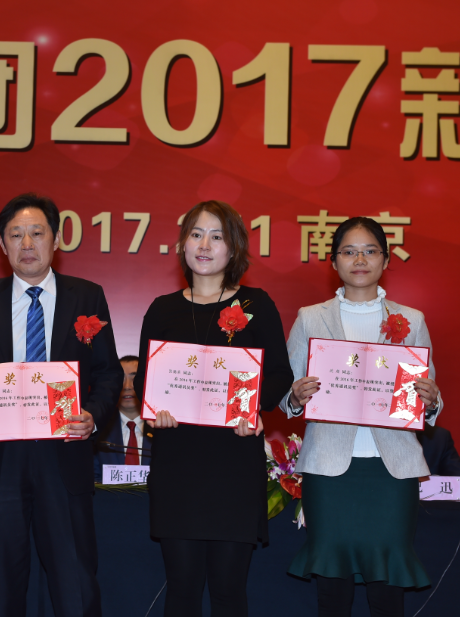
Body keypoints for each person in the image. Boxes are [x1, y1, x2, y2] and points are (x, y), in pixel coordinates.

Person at [0, 193, 123, 617]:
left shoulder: (87, 297)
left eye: (37, 233)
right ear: (1, 244)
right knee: (1, 590)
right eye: (16, 235)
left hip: (63, 457)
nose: (27, 244)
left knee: (75, 587)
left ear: (56, 240)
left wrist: (92, 416)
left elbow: (109, 374)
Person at [132, 200, 294, 617]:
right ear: (182, 244)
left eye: (217, 236)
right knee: (182, 591)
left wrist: (253, 408)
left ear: (233, 248)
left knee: (228, 592)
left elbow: (279, 374)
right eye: (196, 234)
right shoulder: (162, 308)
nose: (204, 245)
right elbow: (144, 380)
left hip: (233, 465)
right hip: (178, 465)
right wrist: (155, 408)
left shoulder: (257, 304)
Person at [280, 217, 443, 617]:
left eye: (370, 251)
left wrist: (431, 399)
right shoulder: (310, 317)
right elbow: (287, 395)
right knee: (332, 588)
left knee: (387, 587)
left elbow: (428, 392)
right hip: (330, 468)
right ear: (334, 261)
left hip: (391, 470)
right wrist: (296, 396)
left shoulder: (412, 319)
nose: (359, 260)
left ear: (385, 260)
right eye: (349, 251)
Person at [93, 355, 152, 480]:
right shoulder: (98, 429)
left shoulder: (161, 428)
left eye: (134, 379)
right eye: (121, 380)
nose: (127, 386)